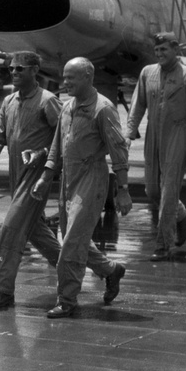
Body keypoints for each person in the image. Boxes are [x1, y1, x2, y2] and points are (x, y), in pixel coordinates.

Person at [0, 52, 125, 308]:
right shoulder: (10, 102)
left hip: (38, 178)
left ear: (35, 71)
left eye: (19, 69)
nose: (13, 73)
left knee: (11, 232)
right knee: (46, 235)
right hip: (23, 176)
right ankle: (108, 269)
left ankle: (5, 292)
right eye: (11, 69)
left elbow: (67, 140)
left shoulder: (50, 102)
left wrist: (42, 159)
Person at [31, 57, 132, 318]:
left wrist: (123, 189)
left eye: (71, 77)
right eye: (64, 76)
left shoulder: (104, 109)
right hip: (68, 178)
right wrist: (45, 177)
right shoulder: (67, 107)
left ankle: (67, 298)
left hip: (92, 178)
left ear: (88, 77)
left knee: (72, 242)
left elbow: (118, 150)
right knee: (75, 238)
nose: (65, 82)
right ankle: (111, 270)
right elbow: (56, 147)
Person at [126, 32, 186, 261]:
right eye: (157, 50)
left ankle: (163, 245)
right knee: (152, 190)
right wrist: (129, 133)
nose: (160, 54)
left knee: (169, 191)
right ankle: (182, 216)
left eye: (164, 49)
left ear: (176, 50)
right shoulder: (147, 73)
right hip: (153, 133)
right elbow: (137, 105)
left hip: (177, 134)